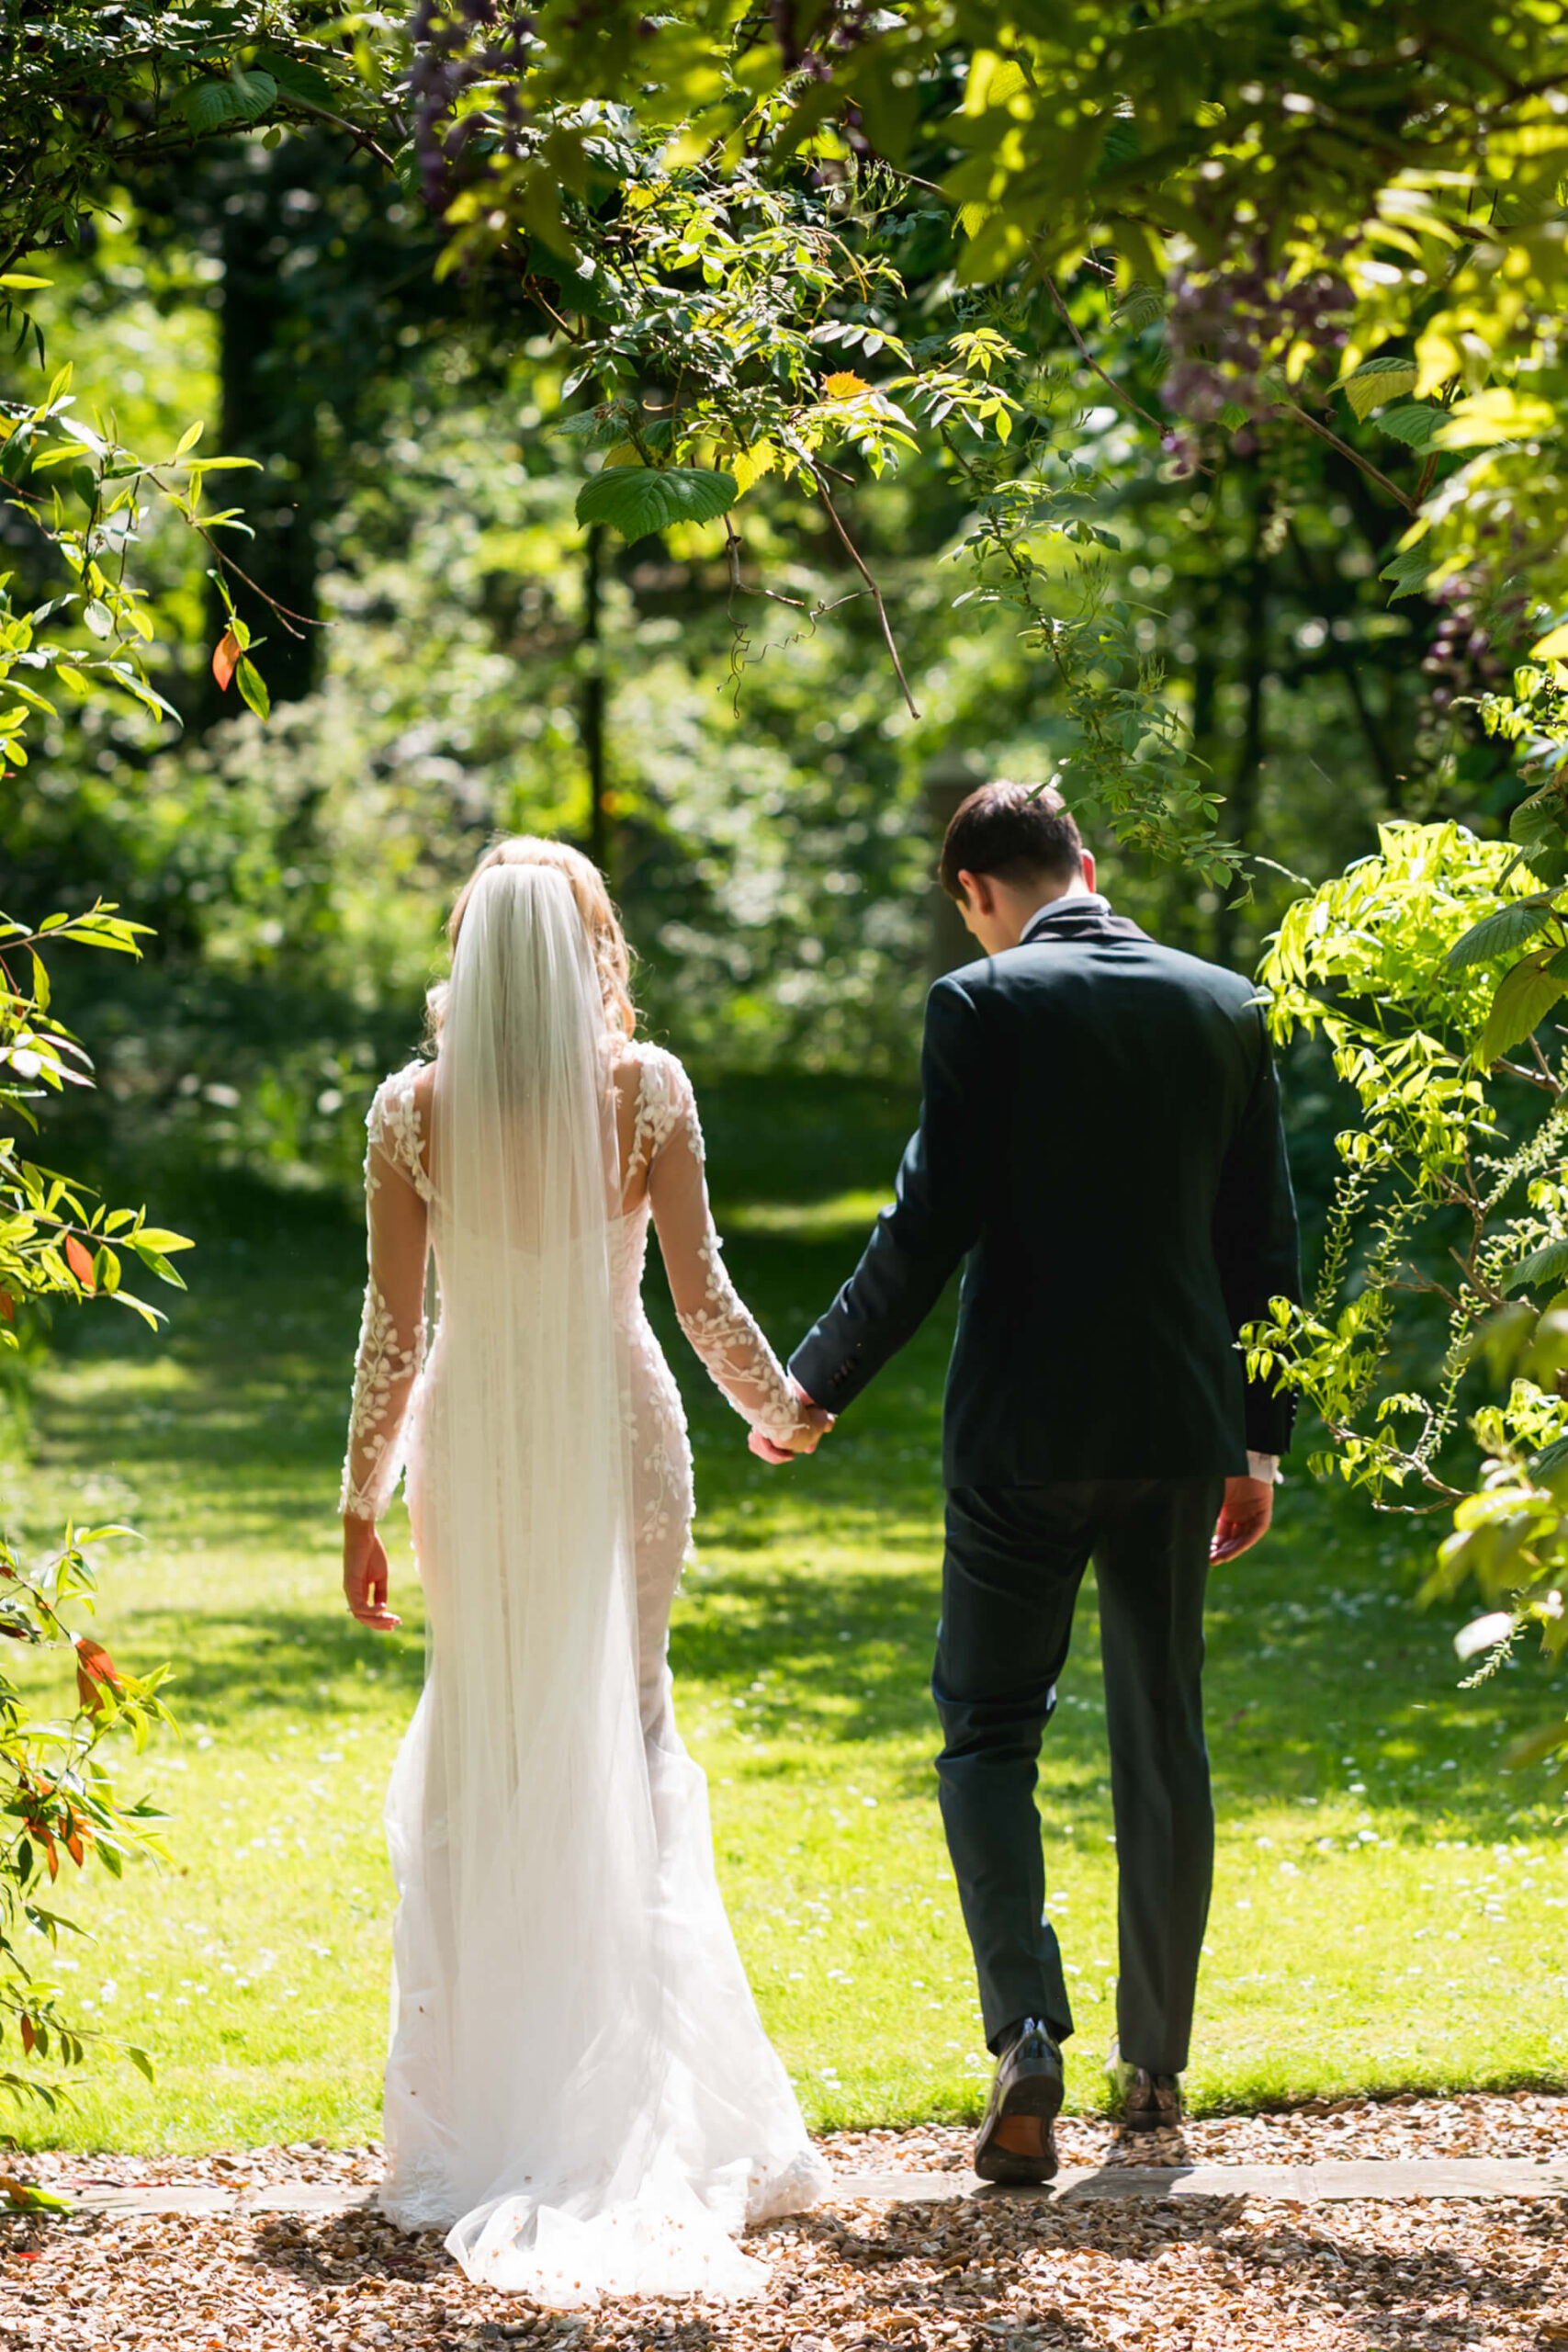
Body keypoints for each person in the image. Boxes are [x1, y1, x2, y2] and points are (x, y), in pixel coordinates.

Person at [765, 780, 1301, 2184]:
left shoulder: (982, 1005)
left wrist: (813, 1384)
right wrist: (1260, 1442)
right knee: (1161, 1737)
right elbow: (1265, 1239)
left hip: (1021, 1436)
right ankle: (1158, 2070)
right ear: (1086, 863)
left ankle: (1027, 2036)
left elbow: (928, 1218)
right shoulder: (1226, 1004)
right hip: (1180, 1432)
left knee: (988, 1731)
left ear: (973, 891)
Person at [338, 838, 831, 2302]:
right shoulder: (645, 1090)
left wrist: (360, 1500)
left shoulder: (411, 1110)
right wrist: (782, 1406)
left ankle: (495, 2107)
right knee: (622, 1732)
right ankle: (631, 2114)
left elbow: (393, 1334)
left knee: (497, 1748)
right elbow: (699, 1297)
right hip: (617, 1433)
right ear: (592, 950)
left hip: (475, 1444)